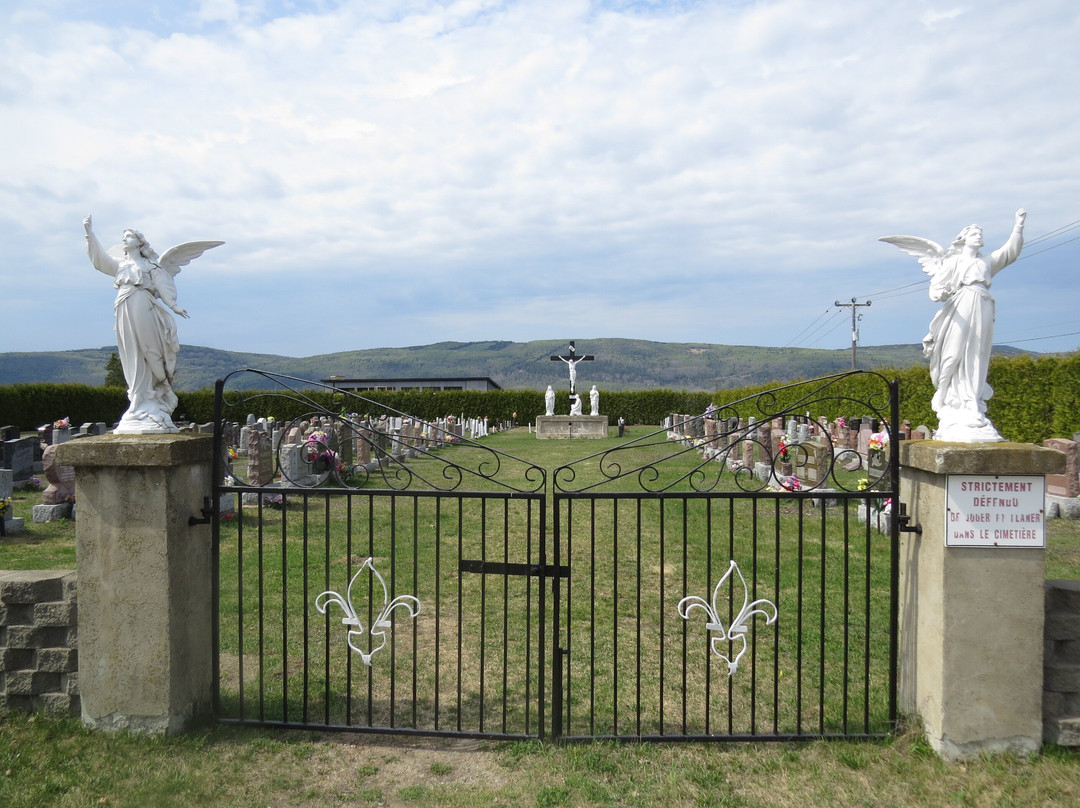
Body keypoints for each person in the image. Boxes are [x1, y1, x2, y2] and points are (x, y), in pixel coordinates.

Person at [880, 209, 1025, 441]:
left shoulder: (985, 263)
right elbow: (936, 291)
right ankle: (944, 390)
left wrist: (1018, 226)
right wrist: (942, 291)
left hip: (983, 304)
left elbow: (1010, 252)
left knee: (978, 355)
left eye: (980, 233)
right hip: (961, 306)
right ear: (964, 239)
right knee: (953, 351)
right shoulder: (953, 262)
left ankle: (972, 401)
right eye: (974, 233)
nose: (979, 236)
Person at [83, 215, 222, 433]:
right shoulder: (121, 265)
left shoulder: (151, 266)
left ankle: (160, 389)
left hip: (143, 306)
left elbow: (164, 285)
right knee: (131, 352)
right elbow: (99, 260)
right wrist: (89, 234)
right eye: (123, 237)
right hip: (123, 307)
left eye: (129, 236)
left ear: (139, 242)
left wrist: (174, 306)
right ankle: (139, 398)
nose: (124, 239)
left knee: (149, 349)